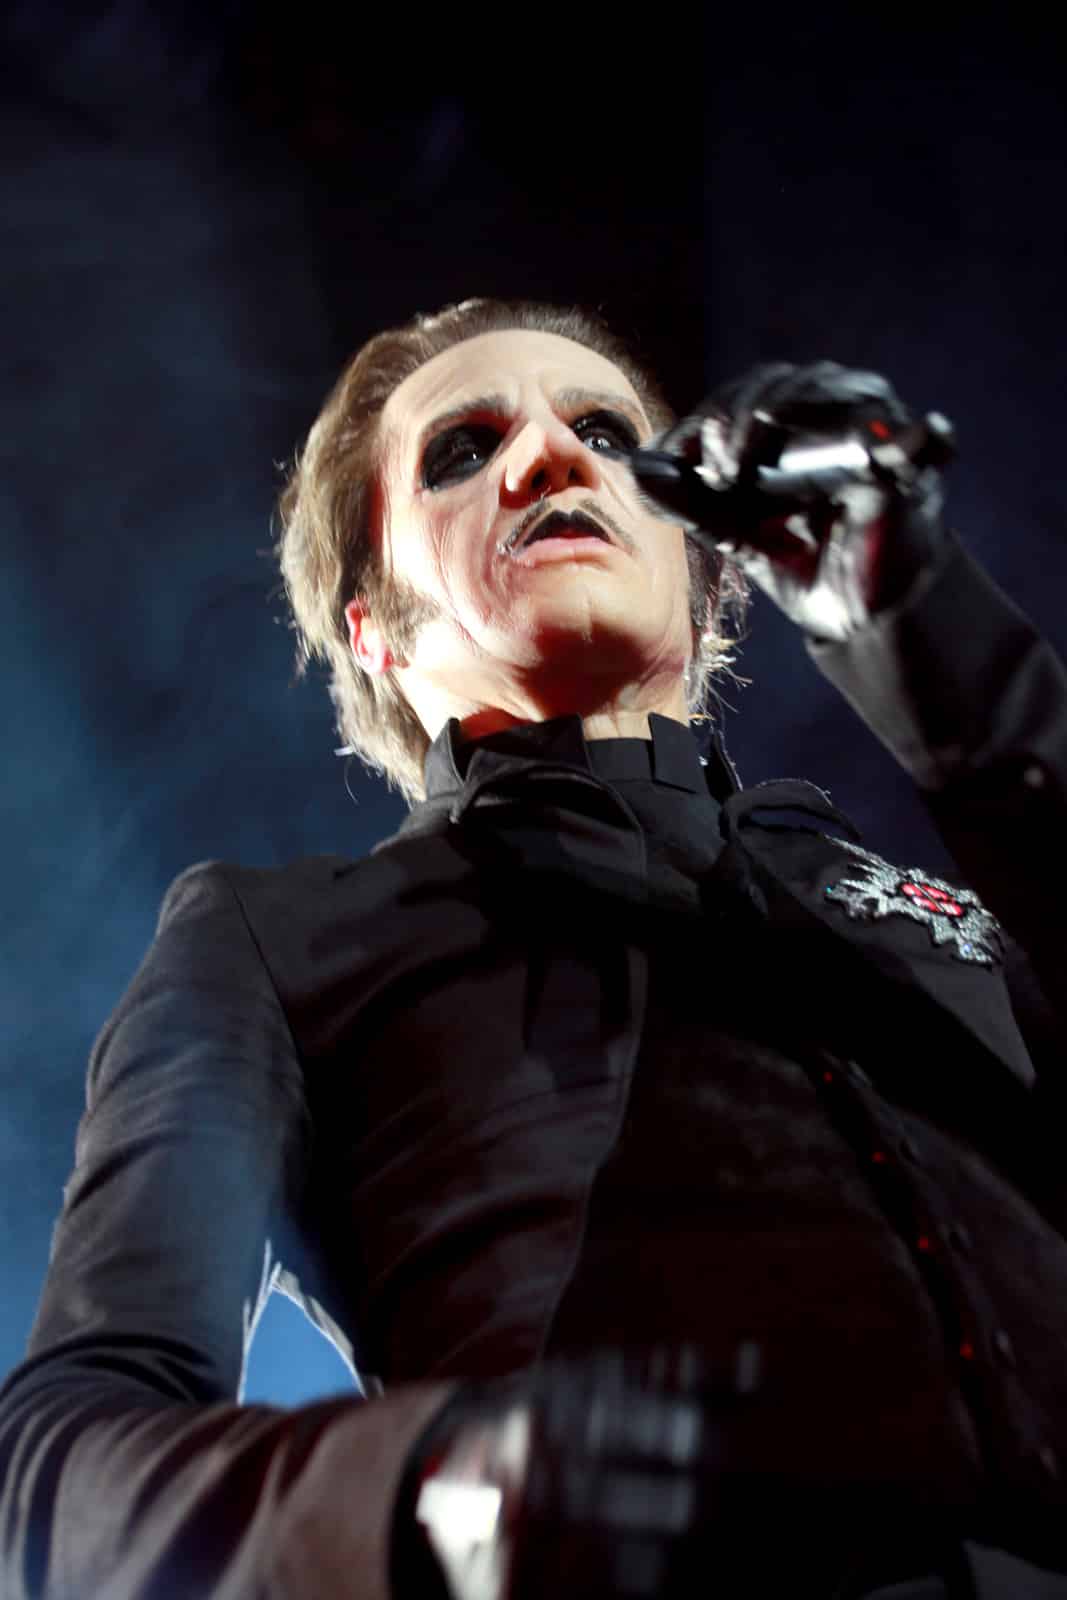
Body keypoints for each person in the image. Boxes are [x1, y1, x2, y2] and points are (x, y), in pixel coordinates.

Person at [1, 297, 1066, 1600]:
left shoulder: (929, 894)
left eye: (607, 433)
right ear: (375, 631)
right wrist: (432, 1490)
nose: (552, 457)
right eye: (463, 450)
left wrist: (928, 628)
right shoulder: (282, 941)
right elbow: (62, 1464)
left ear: (706, 577)